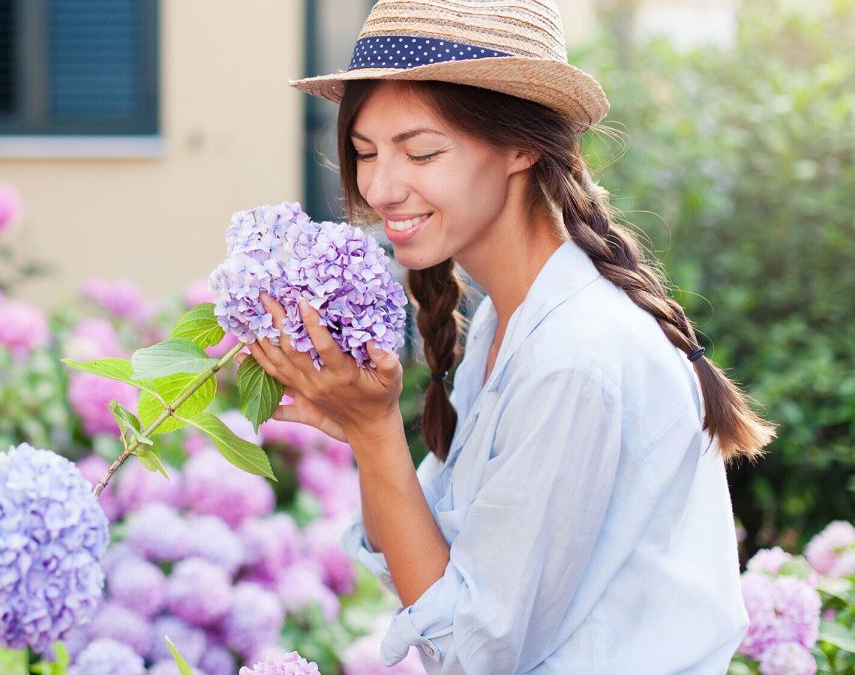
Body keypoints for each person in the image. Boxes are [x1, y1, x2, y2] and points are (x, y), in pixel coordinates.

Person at [241, 1, 777, 672]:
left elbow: (471, 653)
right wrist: (360, 429)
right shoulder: (507, 321)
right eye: (364, 152)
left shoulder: (573, 357)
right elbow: (430, 565)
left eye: (422, 151)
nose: (379, 187)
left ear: (522, 144)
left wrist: (376, 432)